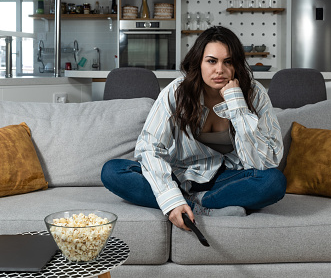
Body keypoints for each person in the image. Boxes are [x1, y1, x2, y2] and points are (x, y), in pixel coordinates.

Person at [101, 26, 286, 231]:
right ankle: (188, 206)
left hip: (224, 180)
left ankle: (203, 201)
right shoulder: (177, 91)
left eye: (228, 62)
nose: (219, 70)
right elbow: (149, 148)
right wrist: (172, 200)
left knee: (274, 182)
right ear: (199, 62)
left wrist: (237, 104)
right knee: (113, 171)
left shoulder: (254, 94)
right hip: (178, 175)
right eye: (211, 61)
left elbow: (266, 162)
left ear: (237, 65)